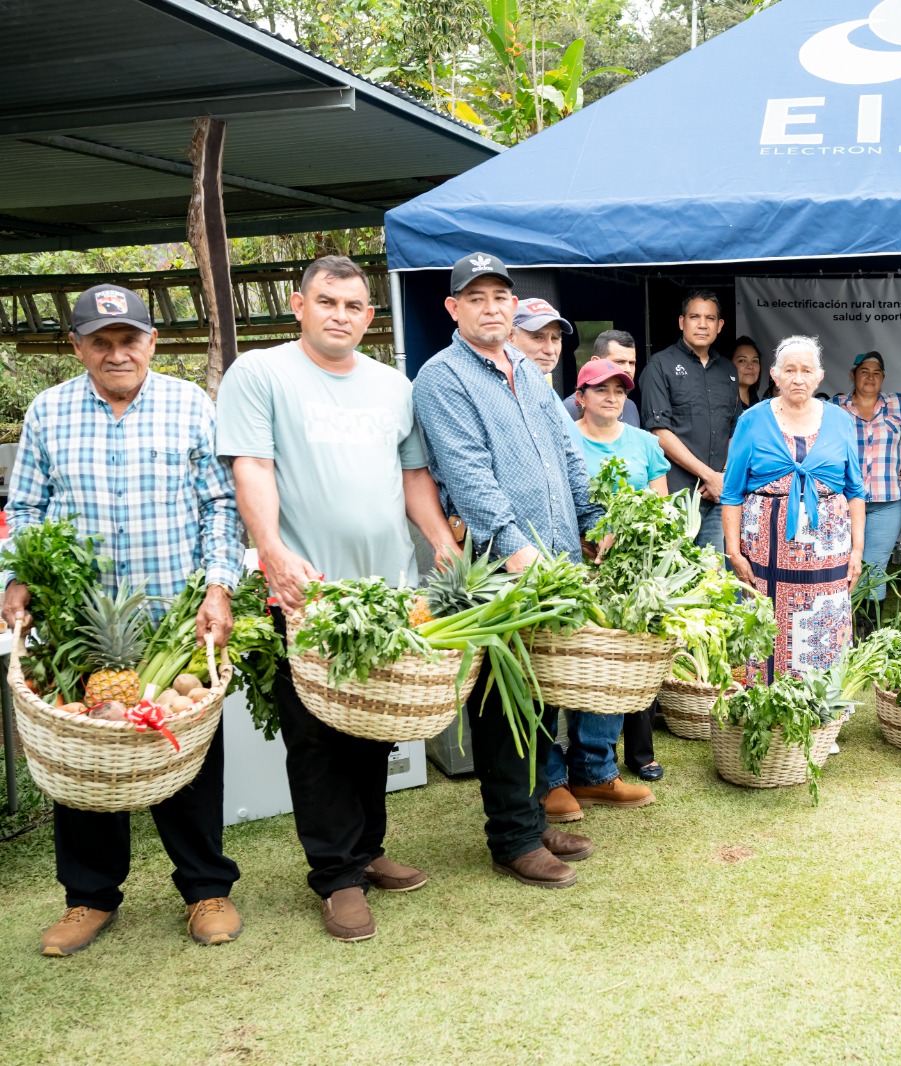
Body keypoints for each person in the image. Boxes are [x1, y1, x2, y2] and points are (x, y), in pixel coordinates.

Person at [219, 257, 456, 943]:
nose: (340, 315)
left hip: (387, 592)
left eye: (354, 305)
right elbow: (251, 466)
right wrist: (271, 550)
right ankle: (337, 877)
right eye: (327, 301)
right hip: (309, 593)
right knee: (316, 736)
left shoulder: (391, 386)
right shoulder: (261, 375)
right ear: (299, 305)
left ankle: (368, 848)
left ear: (370, 318)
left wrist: (439, 538)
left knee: (372, 725)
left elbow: (412, 474)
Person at [4, 284, 244, 958]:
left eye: (128, 340)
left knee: (188, 753)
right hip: (81, 623)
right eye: (101, 342)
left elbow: (219, 506)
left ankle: (206, 888)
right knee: (83, 760)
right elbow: (23, 509)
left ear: (152, 342)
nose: (117, 353)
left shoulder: (191, 406)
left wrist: (220, 587)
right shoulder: (48, 413)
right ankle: (88, 897)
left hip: (172, 619)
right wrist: (16, 575)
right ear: (77, 346)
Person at [411, 252, 625, 888]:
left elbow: (566, 451)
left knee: (538, 693)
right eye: (475, 298)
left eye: (500, 297)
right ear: (453, 309)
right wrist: (512, 545)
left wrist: (593, 517)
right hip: (498, 569)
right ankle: (512, 838)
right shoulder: (441, 379)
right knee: (503, 699)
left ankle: (532, 815)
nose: (491, 308)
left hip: (555, 561)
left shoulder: (527, 372)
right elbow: (468, 474)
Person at [722, 337, 866, 682]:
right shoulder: (752, 421)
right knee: (767, 627)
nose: (797, 378)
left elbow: (856, 491)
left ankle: (823, 719)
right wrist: (733, 551)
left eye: (805, 370)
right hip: (763, 553)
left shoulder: (841, 420)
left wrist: (857, 550)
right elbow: (731, 493)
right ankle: (768, 710)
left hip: (828, 553)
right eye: (789, 370)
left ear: (819, 377)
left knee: (825, 626)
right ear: (775, 375)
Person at [567, 358, 669, 785]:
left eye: (620, 391)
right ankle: (587, 762)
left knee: (629, 661)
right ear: (580, 398)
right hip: (582, 565)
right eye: (601, 390)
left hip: (632, 571)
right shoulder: (565, 440)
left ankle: (620, 758)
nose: (612, 398)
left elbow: (660, 507)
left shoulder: (644, 442)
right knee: (584, 665)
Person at [638, 290, 741, 552]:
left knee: (714, 579)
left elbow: (735, 430)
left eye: (710, 318)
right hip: (678, 496)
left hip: (718, 497)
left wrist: (724, 476)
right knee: (677, 577)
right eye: (695, 316)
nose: (702, 324)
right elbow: (659, 432)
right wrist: (709, 476)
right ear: (682, 322)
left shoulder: (728, 371)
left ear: (720, 326)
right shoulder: (660, 365)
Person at [833, 351, 901, 612]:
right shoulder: (836, 407)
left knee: (875, 564)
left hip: (888, 502)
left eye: (876, 373)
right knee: (842, 561)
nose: (870, 377)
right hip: (844, 503)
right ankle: (840, 622)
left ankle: (868, 628)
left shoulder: (899, 405)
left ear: (883, 378)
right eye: (864, 371)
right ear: (853, 375)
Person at [563, 329, 640, 427]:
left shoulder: (630, 406)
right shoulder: (569, 408)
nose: (628, 369)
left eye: (632, 363)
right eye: (620, 362)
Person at [512, 296, 569, 384]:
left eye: (554, 338)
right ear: (510, 336)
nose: (550, 350)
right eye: (538, 337)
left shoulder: (548, 393)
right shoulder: (490, 389)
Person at [731, 335, 765, 409]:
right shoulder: (724, 401)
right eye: (742, 360)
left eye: (755, 361)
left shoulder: (756, 401)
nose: (750, 366)